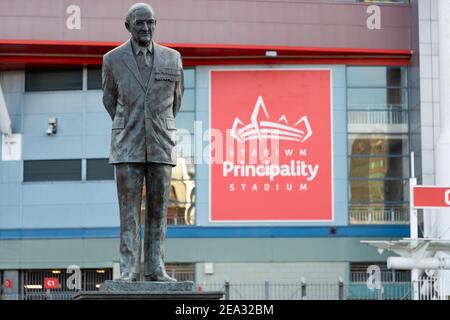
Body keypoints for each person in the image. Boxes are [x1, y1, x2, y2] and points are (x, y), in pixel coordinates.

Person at [102, 3, 184, 282]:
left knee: (159, 213)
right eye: (140, 23)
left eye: (150, 23)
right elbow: (109, 100)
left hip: (161, 144)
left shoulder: (173, 58)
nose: (146, 28)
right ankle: (128, 269)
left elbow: (176, 102)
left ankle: (156, 268)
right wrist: (134, 123)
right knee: (128, 213)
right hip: (127, 145)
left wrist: (154, 125)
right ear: (128, 26)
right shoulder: (112, 59)